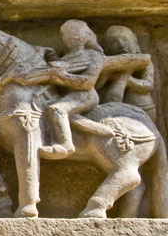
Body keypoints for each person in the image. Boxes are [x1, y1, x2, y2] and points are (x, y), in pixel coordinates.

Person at [31, 20, 106, 158]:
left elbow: (88, 82)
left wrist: (62, 76)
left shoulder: (94, 56)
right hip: (64, 95)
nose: (70, 38)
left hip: (84, 96)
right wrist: (51, 56)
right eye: (66, 35)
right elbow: (58, 72)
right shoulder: (66, 57)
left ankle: (65, 145)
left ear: (86, 37)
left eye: (75, 35)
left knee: (56, 109)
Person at [98, 25, 156, 122]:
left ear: (134, 42)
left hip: (144, 107)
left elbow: (148, 85)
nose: (121, 44)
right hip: (115, 110)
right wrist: (106, 74)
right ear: (108, 48)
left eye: (125, 40)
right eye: (114, 42)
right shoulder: (109, 65)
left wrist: (128, 80)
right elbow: (98, 87)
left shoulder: (146, 63)